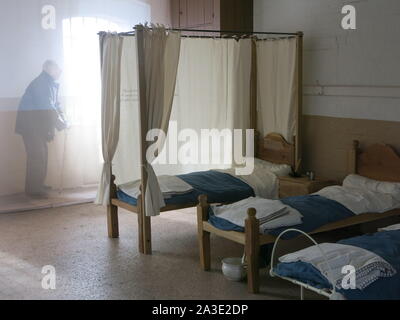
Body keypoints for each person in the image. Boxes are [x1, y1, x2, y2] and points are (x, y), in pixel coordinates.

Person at [15, 60, 68, 197]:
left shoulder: (51, 83)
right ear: (48, 69)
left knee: (41, 155)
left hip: (37, 126)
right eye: (57, 68)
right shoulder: (42, 83)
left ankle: (37, 185)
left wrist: (64, 120)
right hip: (30, 125)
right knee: (37, 156)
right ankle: (34, 190)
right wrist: (60, 124)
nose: (60, 71)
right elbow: (47, 107)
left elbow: (56, 104)